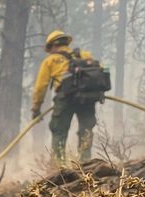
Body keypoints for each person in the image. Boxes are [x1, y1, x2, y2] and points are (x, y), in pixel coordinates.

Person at [31, 30, 97, 166]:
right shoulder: (85, 55)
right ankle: (86, 164)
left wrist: (36, 108)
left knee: (59, 130)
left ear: (52, 46)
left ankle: (58, 166)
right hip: (87, 98)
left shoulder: (50, 60)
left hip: (65, 99)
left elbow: (40, 87)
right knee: (86, 130)